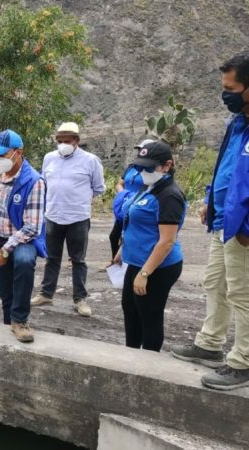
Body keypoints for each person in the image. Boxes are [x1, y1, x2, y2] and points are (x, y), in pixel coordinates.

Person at [170, 51, 249, 390]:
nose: (225, 94)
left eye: (231, 87)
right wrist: (210, 200)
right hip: (223, 219)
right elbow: (227, 168)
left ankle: (243, 362)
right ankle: (210, 344)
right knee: (215, 284)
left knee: (243, 293)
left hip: (242, 227)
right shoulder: (239, 124)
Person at [114, 142, 185, 352]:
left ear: (166, 166)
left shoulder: (169, 195)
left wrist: (145, 273)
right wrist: (122, 249)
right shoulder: (149, 188)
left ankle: (148, 365)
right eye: (141, 167)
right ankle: (132, 357)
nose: (143, 172)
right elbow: (133, 221)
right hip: (136, 261)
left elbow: (166, 241)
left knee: (149, 316)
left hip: (157, 267)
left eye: (149, 168)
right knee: (130, 309)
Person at [31, 122, 105, 317]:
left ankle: (80, 298)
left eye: (67, 141)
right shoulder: (49, 158)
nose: (63, 144)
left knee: (78, 260)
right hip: (53, 216)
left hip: (78, 218)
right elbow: (44, 182)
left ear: (77, 141)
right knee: (52, 258)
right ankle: (47, 293)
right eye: (60, 141)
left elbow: (98, 188)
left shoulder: (90, 161)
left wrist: (77, 201)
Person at [0, 130, 47, 343]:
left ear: (18, 152)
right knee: (4, 290)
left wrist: (5, 250)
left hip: (22, 239)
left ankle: (20, 320)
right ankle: (8, 322)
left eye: (3, 154)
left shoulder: (34, 181)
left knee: (23, 261)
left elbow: (32, 227)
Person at [109, 139, 154, 258]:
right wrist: (123, 194)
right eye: (139, 150)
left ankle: (129, 263)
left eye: (142, 150)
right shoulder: (131, 167)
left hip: (139, 206)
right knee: (114, 236)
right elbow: (120, 183)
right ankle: (116, 261)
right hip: (125, 206)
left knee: (130, 236)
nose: (140, 152)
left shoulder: (153, 171)